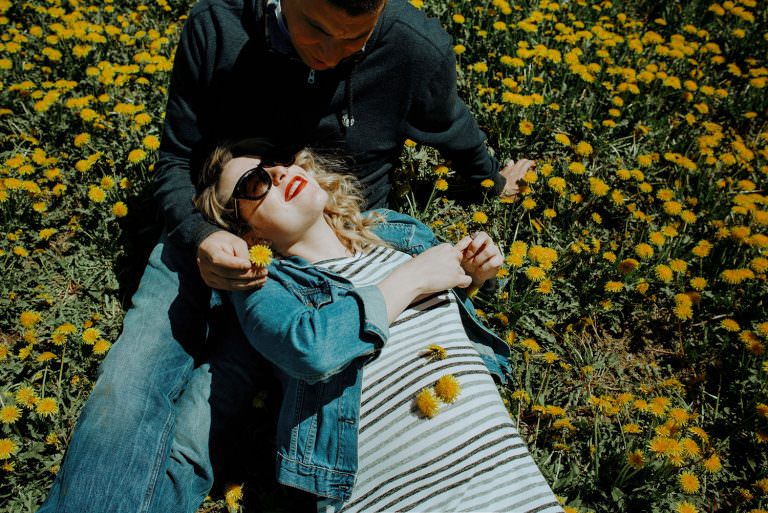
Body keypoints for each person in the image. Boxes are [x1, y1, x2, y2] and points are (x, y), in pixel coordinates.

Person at [38, 0, 536, 510]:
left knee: (206, 413)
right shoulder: (219, 25)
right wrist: (200, 235)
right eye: (317, 30)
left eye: (354, 42)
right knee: (134, 377)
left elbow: (451, 124)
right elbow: (177, 159)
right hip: (215, 220)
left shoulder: (411, 44)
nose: (331, 54)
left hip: (333, 263)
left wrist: (491, 182)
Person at [189, 139, 562, 513]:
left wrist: (477, 274)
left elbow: (434, 310)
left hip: (509, 483)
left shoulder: (396, 232)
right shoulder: (266, 286)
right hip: (394, 499)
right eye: (255, 183)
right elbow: (310, 349)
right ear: (246, 232)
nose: (279, 172)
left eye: (276, 162)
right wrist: (415, 277)